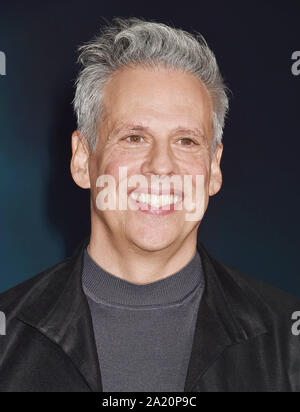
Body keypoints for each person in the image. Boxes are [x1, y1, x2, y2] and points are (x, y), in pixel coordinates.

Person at [0, 17, 299, 392]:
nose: (161, 166)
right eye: (134, 137)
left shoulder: (289, 342)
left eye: (186, 141)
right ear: (82, 160)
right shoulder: (5, 340)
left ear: (214, 169)